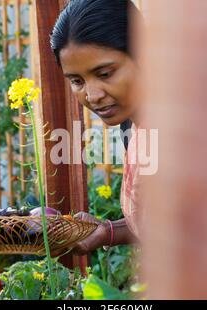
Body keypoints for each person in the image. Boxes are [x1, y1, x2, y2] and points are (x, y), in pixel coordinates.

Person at [50, 0, 143, 255]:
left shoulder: (191, 135)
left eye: (105, 74)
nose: (92, 95)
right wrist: (107, 231)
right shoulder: (131, 129)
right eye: (77, 81)